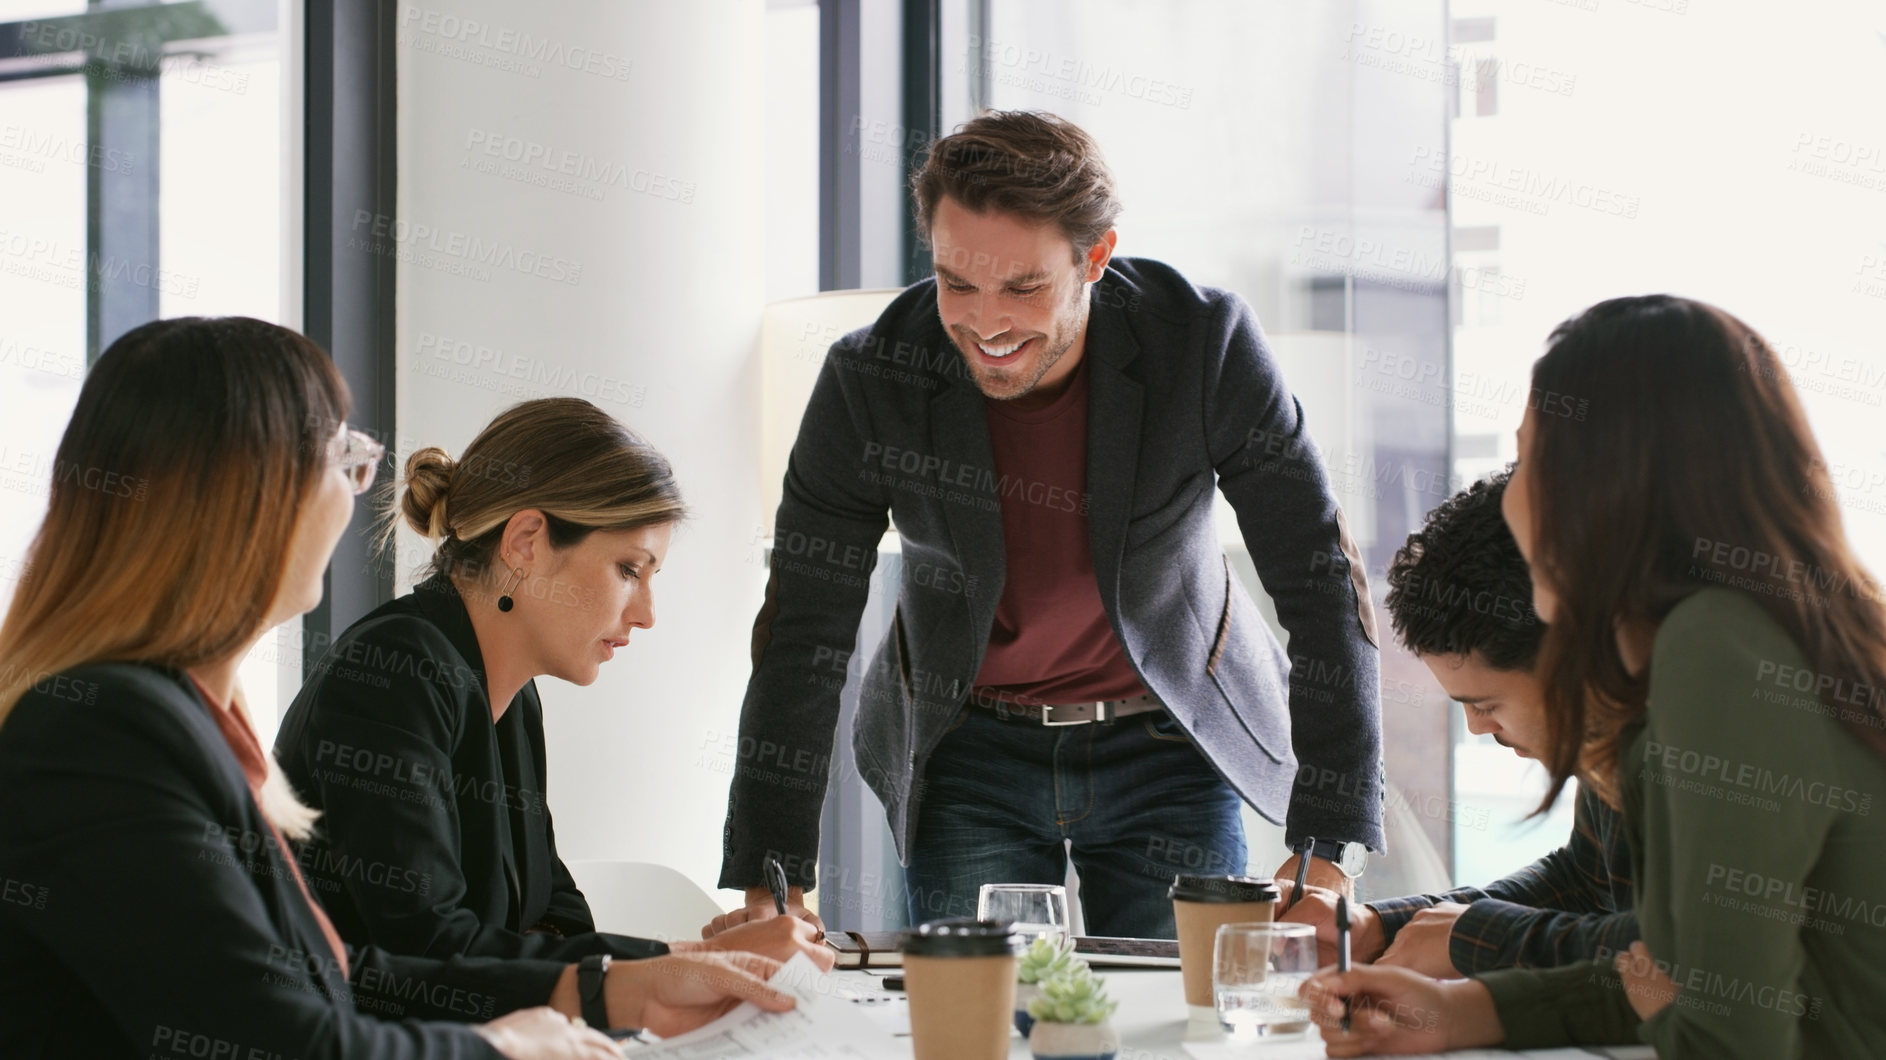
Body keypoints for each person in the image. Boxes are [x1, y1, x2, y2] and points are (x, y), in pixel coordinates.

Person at [0, 317, 795, 1059]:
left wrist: (617, 988)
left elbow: (343, 975)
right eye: (340, 462)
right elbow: (282, 1036)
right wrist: (506, 1046)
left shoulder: (173, 718)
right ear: (244, 494)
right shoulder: (105, 733)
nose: (350, 496)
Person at [711, 110, 1383, 939]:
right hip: (968, 752)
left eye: (1023, 287)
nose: (985, 323)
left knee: (1181, 1018)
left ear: (1095, 257)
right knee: (978, 1027)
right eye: (959, 282)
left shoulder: (1202, 344)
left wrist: (1329, 837)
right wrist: (774, 882)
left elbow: (1319, 578)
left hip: (1169, 741)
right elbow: (804, 629)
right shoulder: (871, 374)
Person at [1302, 296, 1886, 1058]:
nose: (1512, 493)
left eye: (1530, 455)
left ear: (1603, 481)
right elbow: (1679, 980)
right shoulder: (1750, 632)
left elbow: (1718, 1025)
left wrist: (1654, 992)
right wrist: (1466, 1013)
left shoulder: (1716, 651)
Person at [273, 398, 832, 971]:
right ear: (526, 543)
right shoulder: (396, 672)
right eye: (627, 569)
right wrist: (701, 960)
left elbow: (556, 917)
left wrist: (707, 961)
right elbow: (435, 953)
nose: (646, 614)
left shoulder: (510, 693)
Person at [1284, 470, 1638, 976]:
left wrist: (1477, 942)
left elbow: (1679, 959)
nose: (1476, 729)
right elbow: (1582, 881)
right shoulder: (1608, 745)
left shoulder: (1682, 739)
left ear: (1566, 657)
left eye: (1488, 705)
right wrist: (1378, 927)